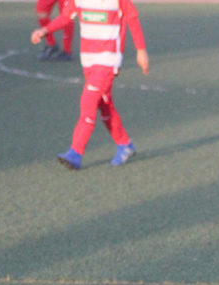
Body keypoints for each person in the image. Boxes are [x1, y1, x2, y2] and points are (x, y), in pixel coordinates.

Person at [30, 0, 150, 170]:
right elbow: (66, 17)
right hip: (88, 60)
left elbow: (132, 18)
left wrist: (141, 51)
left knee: (88, 101)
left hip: (108, 60)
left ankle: (75, 153)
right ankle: (125, 144)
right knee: (105, 105)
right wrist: (45, 30)